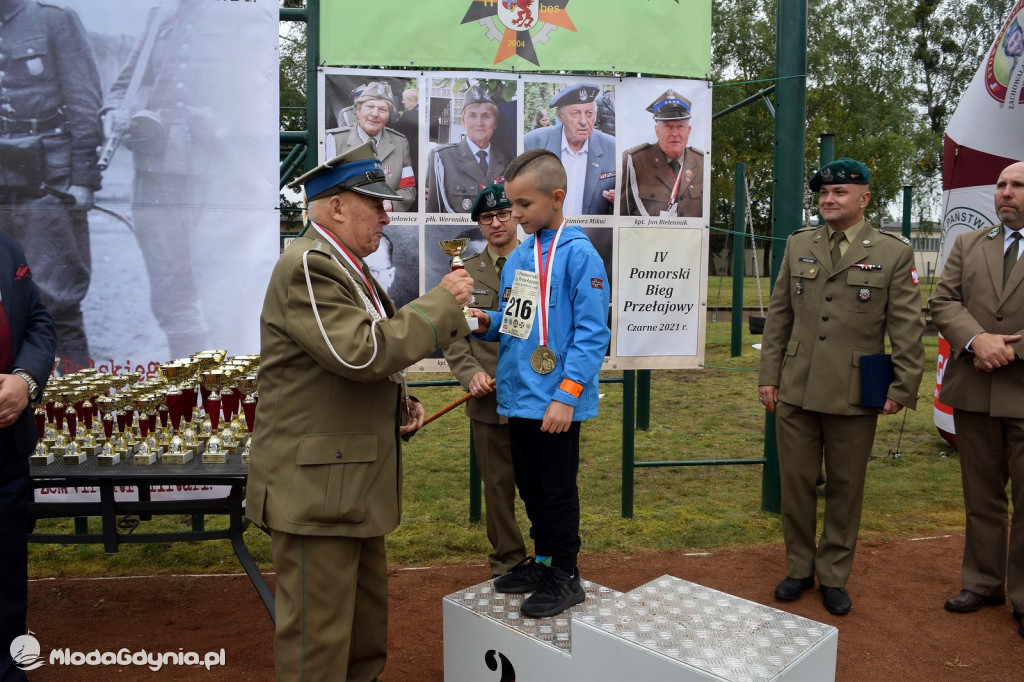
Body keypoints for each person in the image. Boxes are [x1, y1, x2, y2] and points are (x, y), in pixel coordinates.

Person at [245, 142, 474, 680]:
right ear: (336, 206)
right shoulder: (307, 266)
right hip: (318, 490)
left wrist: (401, 402)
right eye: (375, 203)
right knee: (319, 650)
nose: (386, 215)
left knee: (362, 639)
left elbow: (354, 362)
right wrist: (442, 301)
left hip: (347, 484)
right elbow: (363, 352)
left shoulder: (346, 267)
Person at [757, 158, 924, 616]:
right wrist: (769, 376)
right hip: (796, 386)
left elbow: (907, 326)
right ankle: (798, 568)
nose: (828, 200)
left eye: (839, 194)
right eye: (823, 194)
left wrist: (902, 385)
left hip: (854, 390)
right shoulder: (799, 244)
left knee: (846, 488)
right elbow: (779, 319)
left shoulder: (892, 250)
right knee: (796, 484)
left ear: (864, 198)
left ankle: (833, 575)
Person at [471, 149, 610, 618]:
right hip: (519, 398)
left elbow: (593, 335)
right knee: (529, 487)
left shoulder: (580, 255)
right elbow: (515, 323)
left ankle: (566, 574)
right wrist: (483, 322)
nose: (514, 216)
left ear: (556, 198)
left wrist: (567, 396)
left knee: (556, 490)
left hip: (556, 403)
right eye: (511, 207)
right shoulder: (521, 256)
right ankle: (543, 561)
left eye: (523, 206)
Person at [930, 160, 1024, 640]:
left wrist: (1007, 346)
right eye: (1001, 185)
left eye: (1017, 185)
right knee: (982, 496)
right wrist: (976, 340)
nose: (1005, 192)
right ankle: (984, 582)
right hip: (976, 391)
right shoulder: (970, 244)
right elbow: (943, 302)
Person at [0, 0, 101, 371]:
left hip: (47, 184)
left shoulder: (54, 20)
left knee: (58, 303)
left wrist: (83, 181)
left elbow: (84, 103)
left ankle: (78, 416)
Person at [443, 184, 527, 577]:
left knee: (544, 484)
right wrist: (470, 373)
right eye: (487, 218)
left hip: (535, 394)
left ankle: (547, 561)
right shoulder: (464, 272)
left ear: (516, 215)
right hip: (487, 397)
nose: (496, 223)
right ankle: (508, 561)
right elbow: (453, 334)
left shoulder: (538, 262)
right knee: (497, 489)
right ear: (479, 224)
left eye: (503, 214)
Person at [0, 232, 56, 682]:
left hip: (6, 445)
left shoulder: (8, 247)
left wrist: (24, 380)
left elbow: (37, 321)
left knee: (7, 571)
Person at [523, 83, 615, 215]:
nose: (584, 121)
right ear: (560, 116)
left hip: (591, 234)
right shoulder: (532, 143)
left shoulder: (612, 147)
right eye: (575, 113)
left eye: (589, 113)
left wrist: (619, 200)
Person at [325, 81, 416, 212]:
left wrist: (392, 202)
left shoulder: (400, 142)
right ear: (358, 110)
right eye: (369, 106)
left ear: (389, 115)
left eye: (382, 109)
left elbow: (409, 188)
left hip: (385, 222)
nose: (375, 114)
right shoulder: (333, 141)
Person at [620, 89, 704, 218]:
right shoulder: (634, 161)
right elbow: (623, 215)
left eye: (680, 126)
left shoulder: (702, 162)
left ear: (689, 130)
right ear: (657, 130)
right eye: (668, 126)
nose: (675, 133)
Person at [425, 86, 509, 213]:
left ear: (495, 123)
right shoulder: (442, 158)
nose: (479, 122)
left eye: (486, 116)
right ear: (463, 121)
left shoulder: (506, 159)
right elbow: (432, 212)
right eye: (472, 116)